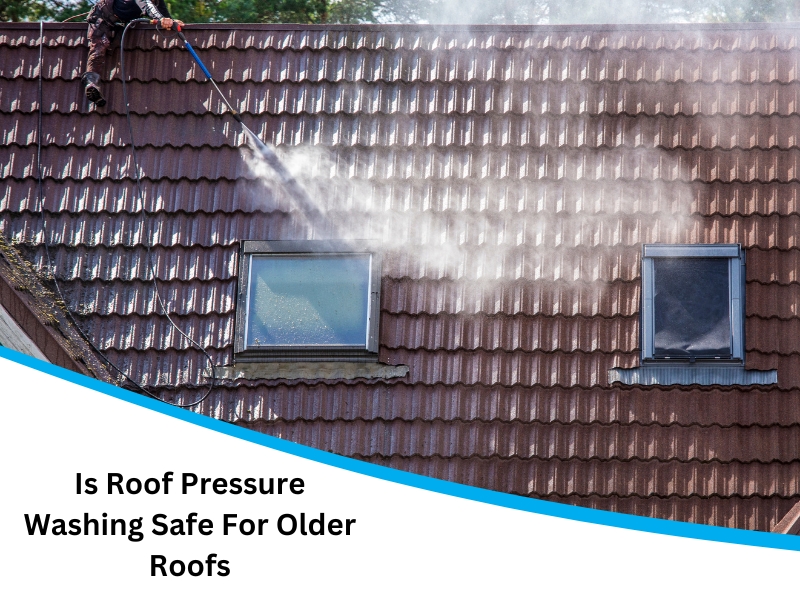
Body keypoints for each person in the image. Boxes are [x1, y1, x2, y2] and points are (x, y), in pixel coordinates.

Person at [82, 0, 184, 107]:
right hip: (102, 17)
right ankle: (91, 84)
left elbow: (161, 11)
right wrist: (161, 19)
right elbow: (147, 6)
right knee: (99, 47)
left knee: (114, 49)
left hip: (120, 24)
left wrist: (171, 21)